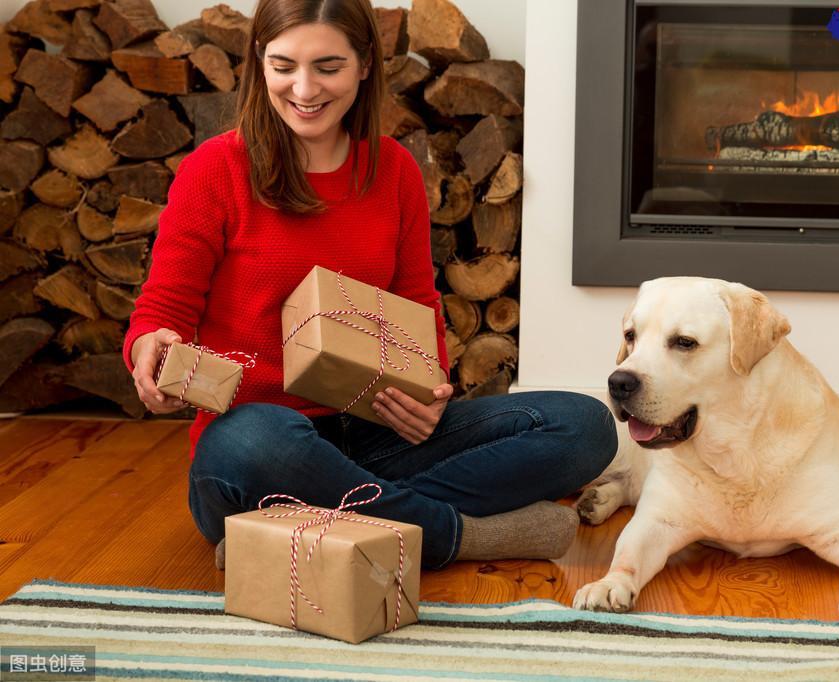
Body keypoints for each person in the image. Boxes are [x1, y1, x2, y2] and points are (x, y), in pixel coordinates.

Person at [123, 0, 617, 571]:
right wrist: (149, 352)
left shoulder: (394, 171)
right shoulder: (215, 170)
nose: (303, 88)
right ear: (259, 62)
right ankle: (455, 535)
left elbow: (416, 303)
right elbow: (163, 308)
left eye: (327, 67)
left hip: (375, 429)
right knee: (253, 438)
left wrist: (429, 391)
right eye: (283, 66)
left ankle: (299, 531)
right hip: (262, 447)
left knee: (584, 427)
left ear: (364, 65)